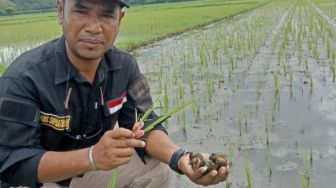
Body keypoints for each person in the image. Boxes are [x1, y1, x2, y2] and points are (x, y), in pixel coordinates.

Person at [0, 0, 229, 187]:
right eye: (81, 11)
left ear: (119, 20)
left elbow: (145, 124)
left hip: (86, 173)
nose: (94, 27)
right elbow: (13, 163)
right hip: (39, 181)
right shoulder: (25, 77)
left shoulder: (124, 67)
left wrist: (181, 159)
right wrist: (91, 157)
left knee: (154, 169)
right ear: (61, 11)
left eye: (107, 15)